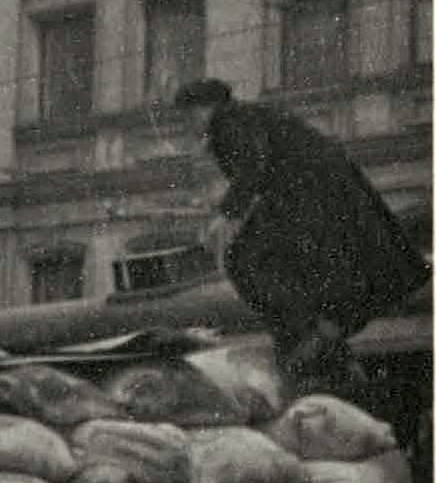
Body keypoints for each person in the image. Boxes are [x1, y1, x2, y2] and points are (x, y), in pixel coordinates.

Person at [177, 77, 430, 397]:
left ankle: (308, 331)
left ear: (205, 108)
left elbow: (254, 164)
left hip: (312, 197)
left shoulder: (230, 120)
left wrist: (227, 216)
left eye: (188, 117)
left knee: (245, 259)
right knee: (296, 265)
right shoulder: (251, 117)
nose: (188, 127)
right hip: (323, 194)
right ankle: (321, 332)